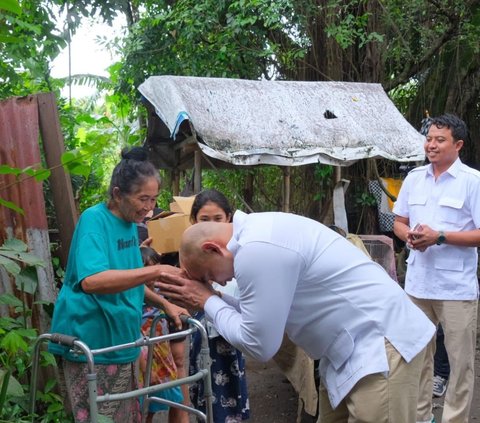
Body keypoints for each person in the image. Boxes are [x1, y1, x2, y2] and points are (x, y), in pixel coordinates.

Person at [155, 210, 436, 422]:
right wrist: (212, 300)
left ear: (213, 248)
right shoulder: (256, 235)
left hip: (381, 346)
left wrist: (207, 300)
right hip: (351, 351)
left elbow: (259, 344)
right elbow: (257, 315)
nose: (216, 282)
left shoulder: (257, 250)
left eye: (207, 276)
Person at [48, 146, 183, 423]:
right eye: (142, 199)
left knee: (128, 416)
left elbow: (128, 281)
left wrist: (166, 304)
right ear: (118, 194)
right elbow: (92, 281)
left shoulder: (130, 225)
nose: (149, 208)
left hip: (122, 341)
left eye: (154, 199)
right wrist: (154, 271)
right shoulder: (94, 220)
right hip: (92, 344)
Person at [393, 113, 480, 423]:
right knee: (417, 358)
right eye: (429, 138)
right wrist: (410, 237)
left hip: (456, 289)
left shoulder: (472, 182)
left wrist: (439, 236)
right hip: (417, 285)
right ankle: (421, 418)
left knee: (460, 364)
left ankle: (454, 419)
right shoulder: (414, 178)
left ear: (458, 144)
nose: (431, 144)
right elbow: (399, 222)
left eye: (439, 139)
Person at [189, 189, 250, 422]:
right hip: (203, 339)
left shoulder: (240, 252)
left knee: (233, 393)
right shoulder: (190, 254)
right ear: (194, 221)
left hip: (232, 337)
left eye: (218, 219)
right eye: (205, 220)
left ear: (229, 219)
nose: (212, 226)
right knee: (206, 395)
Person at [139, 246, 189, 423]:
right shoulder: (135, 299)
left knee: (174, 397)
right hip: (146, 356)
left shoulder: (161, 292)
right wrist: (145, 366)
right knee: (146, 406)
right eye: (144, 269)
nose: (149, 276)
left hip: (164, 354)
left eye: (153, 268)